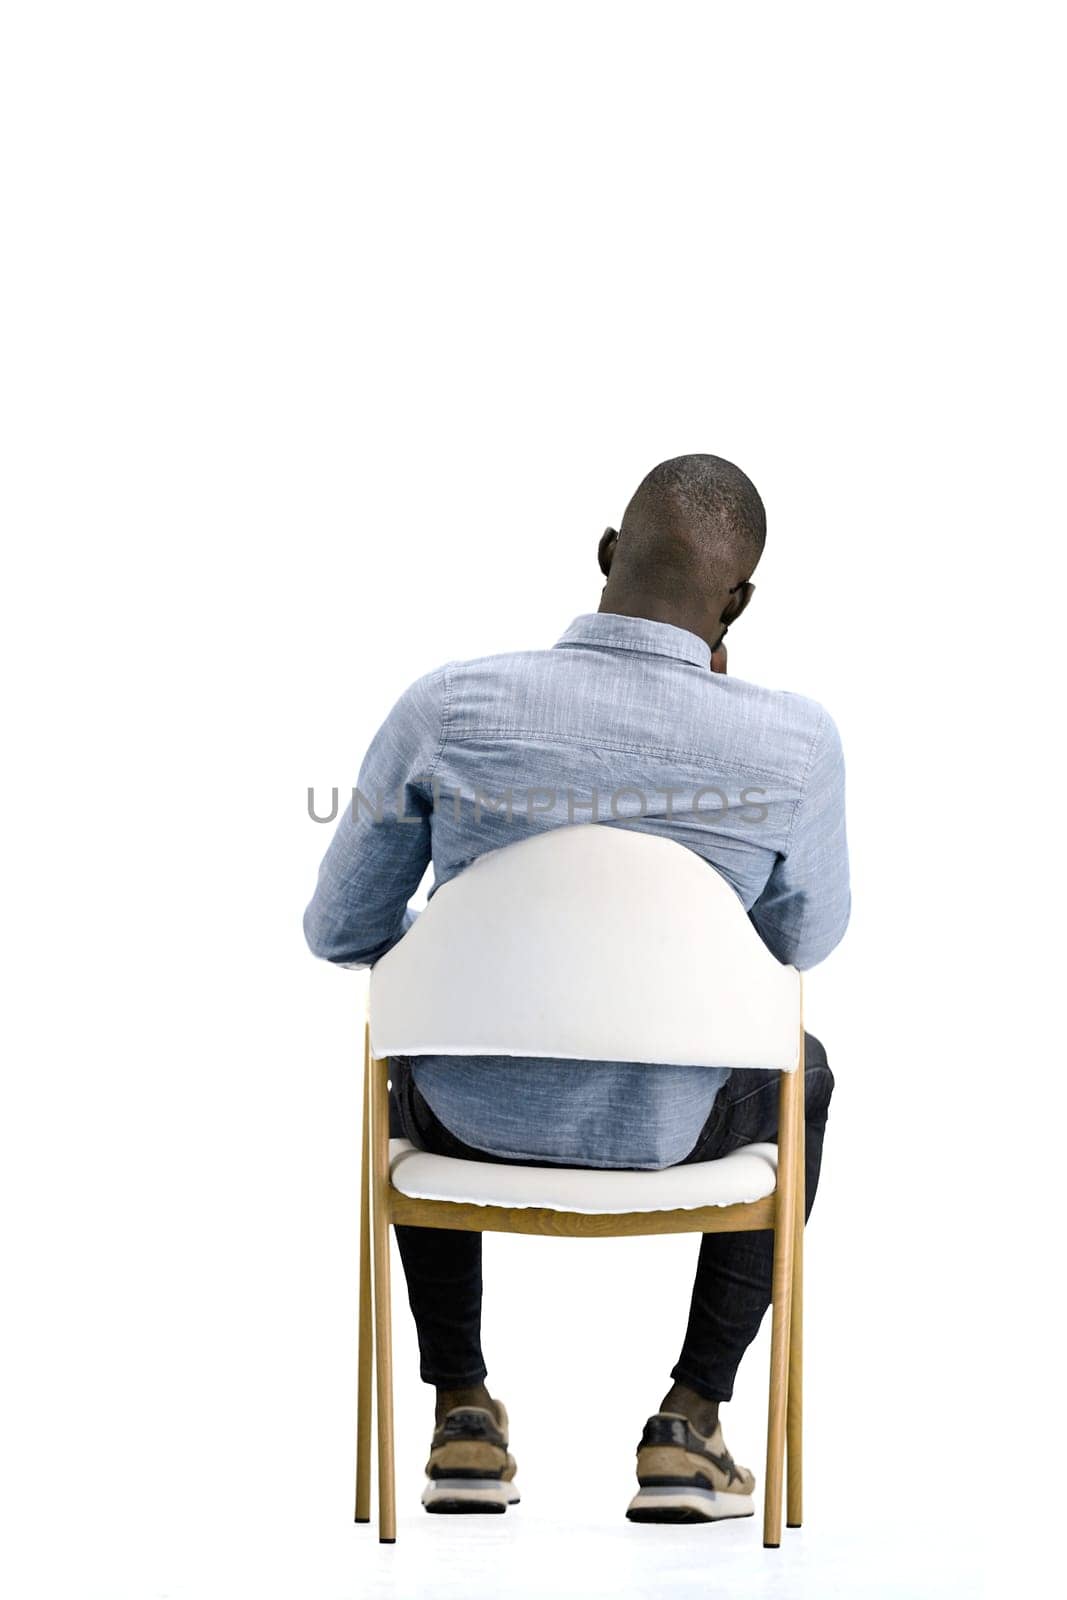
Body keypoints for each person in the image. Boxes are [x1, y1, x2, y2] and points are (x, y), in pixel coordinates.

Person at [304, 453, 850, 1523]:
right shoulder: (792, 741)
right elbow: (804, 939)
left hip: (460, 1123)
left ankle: (460, 1412)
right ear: (734, 602)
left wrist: (470, 961)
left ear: (606, 555)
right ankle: (691, 1421)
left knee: (405, 1049)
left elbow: (341, 928)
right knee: (804, 1073)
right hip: (675, 1126)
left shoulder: (449, 703)